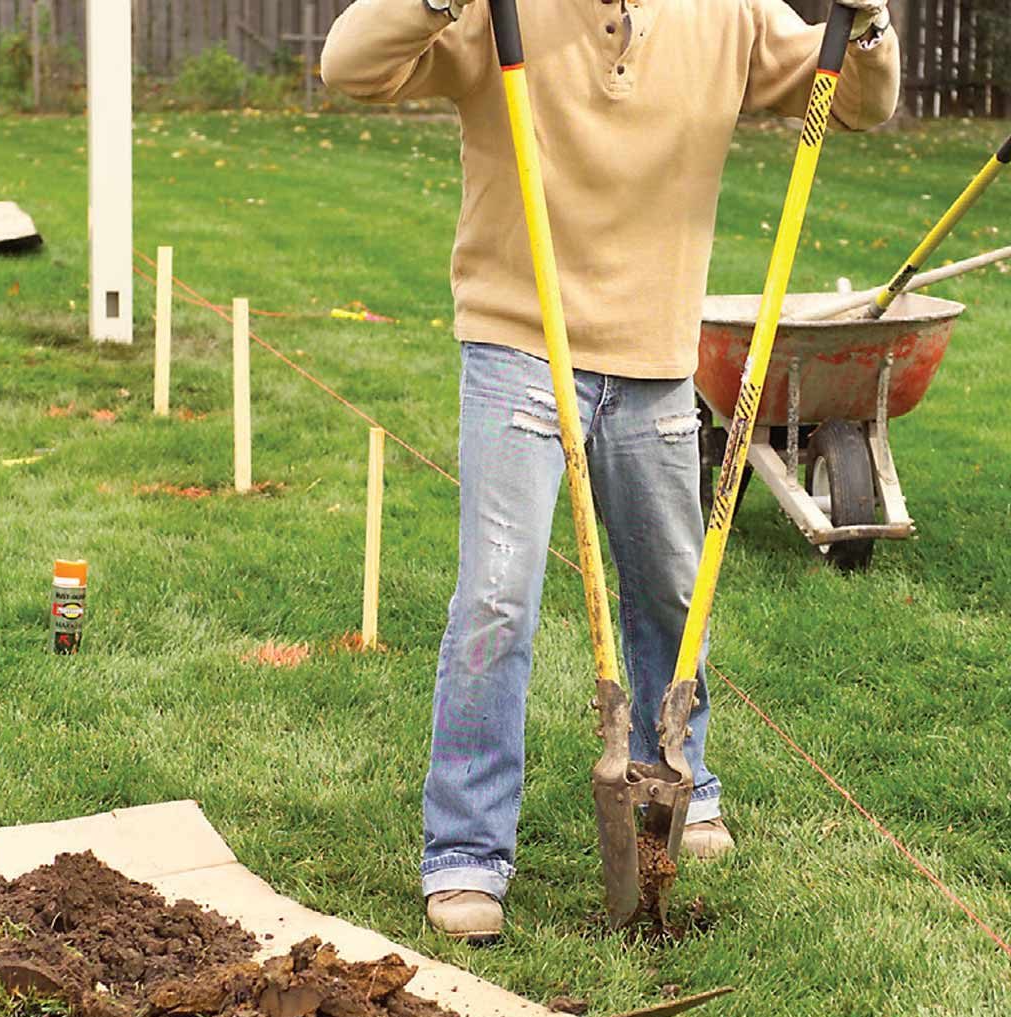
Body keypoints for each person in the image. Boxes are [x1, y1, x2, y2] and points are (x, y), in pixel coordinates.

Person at [322, 0, 900, 943]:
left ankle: (682, 784)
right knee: (497, 597)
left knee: (672, 590)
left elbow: (860, 102)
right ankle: (467, 853)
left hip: (657, 357)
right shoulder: (493, 10)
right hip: (518, 341)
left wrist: (868, 22)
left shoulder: (731, 15)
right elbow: (352, 67)